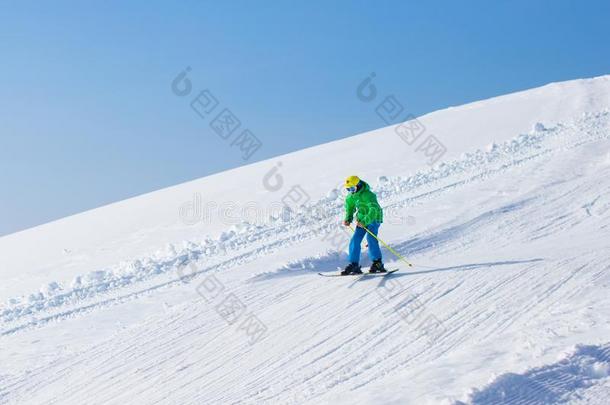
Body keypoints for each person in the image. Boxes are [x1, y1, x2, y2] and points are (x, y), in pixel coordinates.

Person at [341, 175, 386, 275]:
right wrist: (348, 218)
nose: (351, 191)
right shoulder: (351, 197)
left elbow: (373, 209)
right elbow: (350, 208)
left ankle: (377, 263)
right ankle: (354, 264)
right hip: (362, 220)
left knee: (370, 238)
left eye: (352, 188)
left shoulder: (369, 195)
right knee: (355, 240)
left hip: (374, 218)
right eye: (348, 189)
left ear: (358, 185)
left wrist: (365, 221)